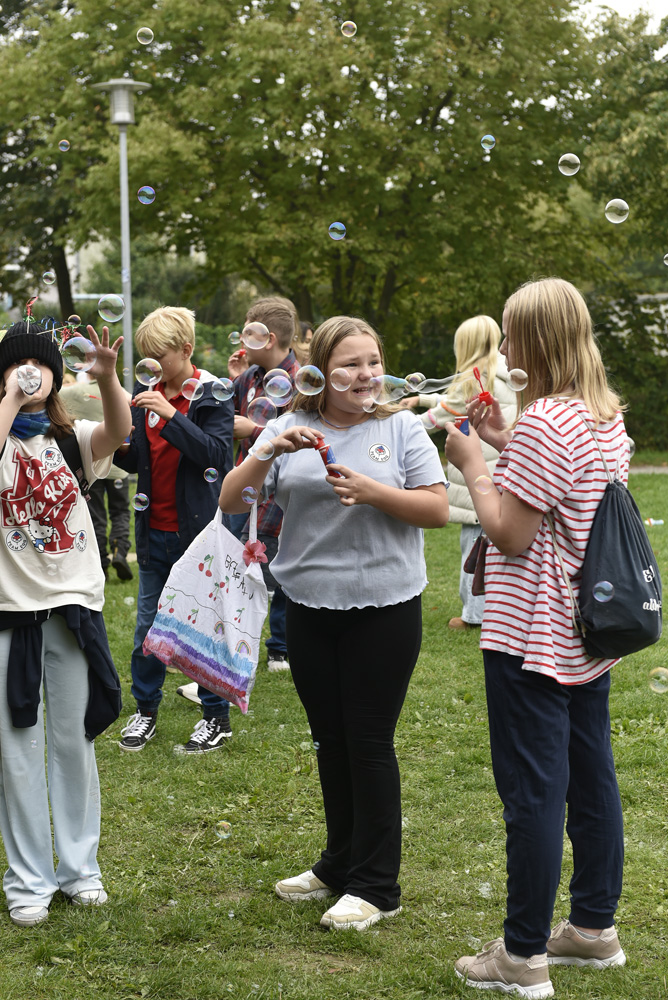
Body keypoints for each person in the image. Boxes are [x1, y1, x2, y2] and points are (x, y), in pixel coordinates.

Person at [219, 315, 449, 931]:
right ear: (321, 371)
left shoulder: (401, 428)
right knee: (330, 740)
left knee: (368, 742)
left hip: (384, 606)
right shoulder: (287, 427)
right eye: (350, 364)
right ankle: (338, 863)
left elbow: (435, 509)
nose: (366, 375)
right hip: (308, 608)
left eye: (374, 362)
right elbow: (231, 500)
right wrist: (266, 451)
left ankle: (376, 886)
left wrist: (375, 492)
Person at [445, 278, 628, 997]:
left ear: (537, 341)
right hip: (585, 636)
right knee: (591, 777)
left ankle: (521, 955)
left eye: (513, 333)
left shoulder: (547, 422)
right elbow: (560, 493)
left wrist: (474, 464)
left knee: (533, 794)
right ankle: (593, 928)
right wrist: (502, 440)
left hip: (532, 639)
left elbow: (511, 532)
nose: (505, 347)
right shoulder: (599, 413)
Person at [0, 320, 129, 926]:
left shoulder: (70, 439)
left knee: (73, 742)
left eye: (39, 365)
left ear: (56, 376)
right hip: (11, 614)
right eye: (15, 364)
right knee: (16, 751)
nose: (29, 373)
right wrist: (9, 398)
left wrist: (107, 379)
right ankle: (28, 879)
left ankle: (81, 870)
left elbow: (119, 433)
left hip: (73, 607)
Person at [114, 306, 235, 753]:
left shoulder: (212, 394)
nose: (151, 367)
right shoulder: (146, 392)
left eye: (158, 357)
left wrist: (171, 415)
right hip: (154, 532)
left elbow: (217, 456)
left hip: (198, 534)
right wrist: (116, 445)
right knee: (148, 630)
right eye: (144, 358)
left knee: (203, 628)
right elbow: (137, 460)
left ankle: (215, 718)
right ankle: (145, 711)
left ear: (185, 350)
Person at [410, 316, 518, 629]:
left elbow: (443, 413)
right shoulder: (503, 372)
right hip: (501, 470)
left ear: (465, 346)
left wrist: (403, 426)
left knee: (473, 547)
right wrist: (420, 398)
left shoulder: (473, 377)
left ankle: (474, 615)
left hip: (478, 474)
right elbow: (451, 398)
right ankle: (498, 608)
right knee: (491, 546)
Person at [226, 295, 301, 673]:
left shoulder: (301, 380)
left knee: (278, 571)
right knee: (238, 567)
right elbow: (227, 416)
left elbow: (299, 436)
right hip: (246, 489)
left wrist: (253, 430)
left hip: (279, 496)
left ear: (268, 338)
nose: (241, 341)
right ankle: (242, 646)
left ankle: (278, 648)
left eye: (247, 333)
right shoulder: (248, 378)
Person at [61, 374, 134, 581]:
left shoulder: (76, 391)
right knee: (120, 512)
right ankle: (120, 550)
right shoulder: (122, 393)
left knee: (96, 515)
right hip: (118, 467)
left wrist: (74, 383)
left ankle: (101, 562)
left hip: (91, 463)